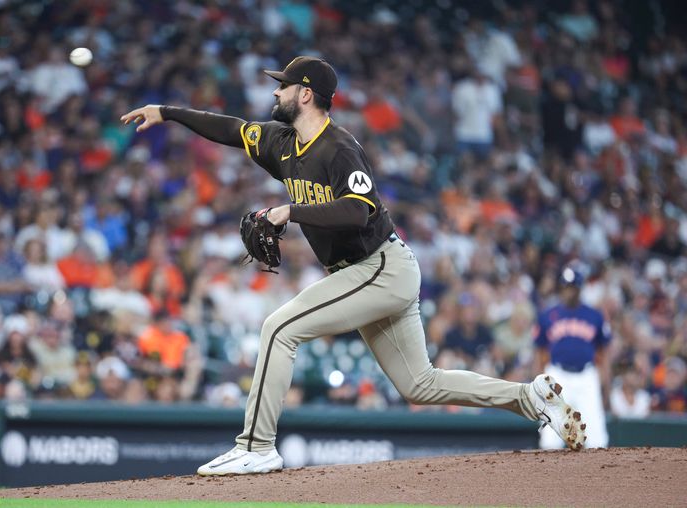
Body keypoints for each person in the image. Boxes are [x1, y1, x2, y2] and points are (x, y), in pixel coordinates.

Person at [121, 56, 587, 476]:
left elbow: (358, 210)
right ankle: (529, 398)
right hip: (364, 273)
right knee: (420, 385)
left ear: (305, 94)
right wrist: (168, 113)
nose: (275, 93)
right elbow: (230, 128)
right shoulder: (282, 143)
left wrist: (291, 211)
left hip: (381, 266)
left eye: (283, 86)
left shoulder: (339, 147)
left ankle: (256, 447)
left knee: (280, 328)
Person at [534, 265, 611, 448]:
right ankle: (547, 477)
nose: (569, 291)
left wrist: (606, 385)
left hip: (586, 376)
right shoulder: (548, 316)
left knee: (597, 439)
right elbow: (539, 353)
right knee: (550, 441)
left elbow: (604, 353)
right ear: (561, 288)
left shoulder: (594, 316)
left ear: (580, 288)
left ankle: (599, 477)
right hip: (557, 376)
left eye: (573, 287)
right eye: (566, 287)